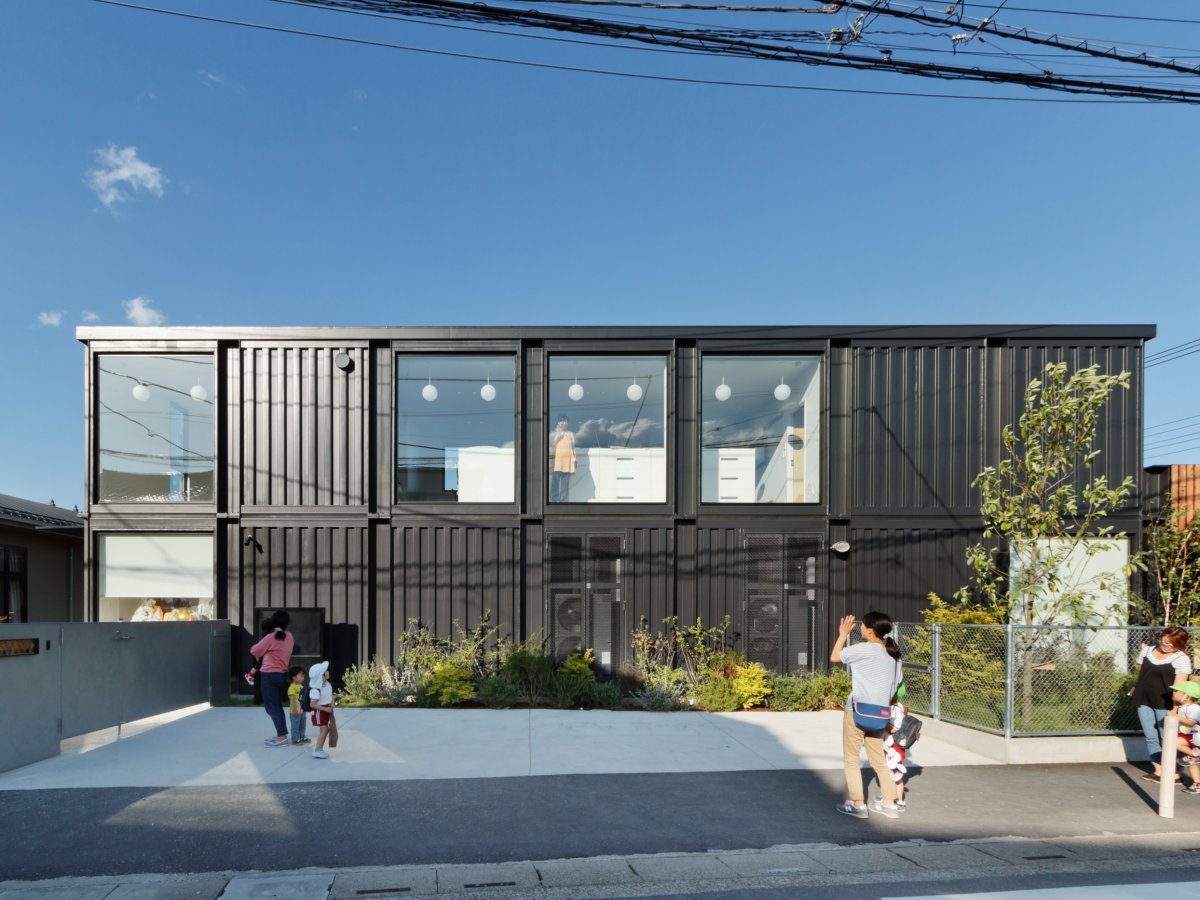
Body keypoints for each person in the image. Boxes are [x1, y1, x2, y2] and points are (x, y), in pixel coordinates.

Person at [830, 611, 904, 819]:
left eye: (862, 625)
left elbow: (835, 657)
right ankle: (889, 803)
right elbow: (895, 688)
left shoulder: (864, 649)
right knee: (878, 759)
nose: (860, 627)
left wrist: (843, 634)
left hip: (857, 710)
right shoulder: (894, 655)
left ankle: (858, 805)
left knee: (852, 759)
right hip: (881, 713)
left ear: (870, 631)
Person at [1131, 626, 1193, 783]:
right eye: (1163, 642)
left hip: (1164, 704)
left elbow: (1179, 688)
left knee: (1167, 738)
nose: (1165, 646)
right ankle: (1158, 770)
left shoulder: (1181, 659)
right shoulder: (1148, 651)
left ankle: (1175, 773)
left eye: (1170, 644)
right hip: (1144, 699)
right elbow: (1141, 672)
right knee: (1151, 737)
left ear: (1179, 644)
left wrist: (1175, 709)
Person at [249, 609, 294, 748]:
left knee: (272, 707)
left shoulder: (270, 638)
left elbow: (254, 650)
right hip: (281, 674)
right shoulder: (290, 636)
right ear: (288, 624)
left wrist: (266, 649)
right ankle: (281, 735)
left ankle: (281, 737)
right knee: (276, 706)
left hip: (268, 675)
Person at [1170, 681, 1200, 794]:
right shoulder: (1184, 707)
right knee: (1191, 762)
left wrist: (1176, 717)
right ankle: (1197, 784)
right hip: (1189, 736)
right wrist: (1175, 709)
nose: (1174, 692)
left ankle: (1195, 755)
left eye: (1177, 691)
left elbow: (1192, 723)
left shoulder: (1194, 708)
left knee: (1175, 742)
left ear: (1187, 695)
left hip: (1195, 736)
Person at [308, 660, 335, 760]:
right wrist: (325, 708)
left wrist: (332, 701)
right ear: (321, 676)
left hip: (326, 709)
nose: (328, 672)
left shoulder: (327, 684)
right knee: (325, 730)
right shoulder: (315, 689)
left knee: (323, 730)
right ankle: (317, 750)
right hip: (320, 712)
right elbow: (312, 704)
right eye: (325, 671)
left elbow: (330, 693)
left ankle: (320, 749)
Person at [549, 415, 576, 503]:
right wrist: (559, 434)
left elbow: (573, 447)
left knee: (565, 484)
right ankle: (553, 501)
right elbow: (552, 445)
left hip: (567, 462)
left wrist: (574, 459)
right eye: (562, 421)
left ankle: (564, 502)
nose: (564, 423)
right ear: (558, 422)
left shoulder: (570, 434)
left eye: (566, 421)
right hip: (556, 462)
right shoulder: (554, 433)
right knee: (555, 483)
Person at [287, 665, 311, 745]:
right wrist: (293, 710)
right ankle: (295, 739)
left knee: (302, 724)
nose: (303, 677)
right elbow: (292, 699)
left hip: (302, 710)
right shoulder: (292, 687)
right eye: (301, 675)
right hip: (295, 711)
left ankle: (302, 736)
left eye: (303, 676)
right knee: (295, 726)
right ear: (294, 677)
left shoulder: (301, 686)